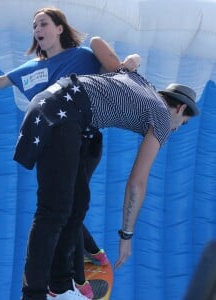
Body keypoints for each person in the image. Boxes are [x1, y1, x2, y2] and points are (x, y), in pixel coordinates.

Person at [0, 7, 140, 300]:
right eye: (34, 25)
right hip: (56, 140)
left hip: (86, 143)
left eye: (43, 23)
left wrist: (134, 59)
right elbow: (2, 80)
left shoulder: (84, 55)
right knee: (60, 207)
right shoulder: (35, 68)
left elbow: (117, 70)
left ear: (60, 28)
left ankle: (85, 264)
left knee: (74, 204)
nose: (37, 29)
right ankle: (72, 279)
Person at [13, 68, 200, 299]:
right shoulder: (162, 116)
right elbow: (136, 184)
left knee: (76, 205)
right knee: (53, 211)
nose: (177, 128)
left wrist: (133, 60)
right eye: (183, 122)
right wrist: (126, 236)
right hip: (64, 112)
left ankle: (60, 285)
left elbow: (103, 51)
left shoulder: (141, 82)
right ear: (180, 108)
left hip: (55, 105)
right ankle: (34, 294)